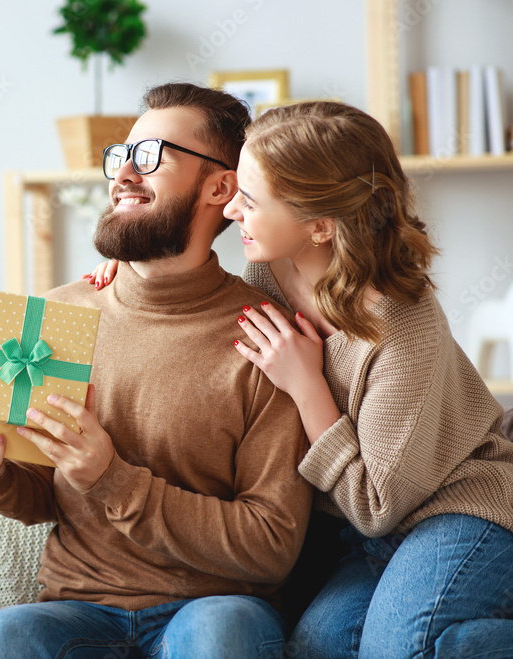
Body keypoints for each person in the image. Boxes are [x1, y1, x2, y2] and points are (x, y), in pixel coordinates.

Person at [91, 100, 513, 657]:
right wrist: (134, 265)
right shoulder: (267, 272)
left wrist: (307, 385)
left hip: (457, 509)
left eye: (251, 199)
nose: (233, 210)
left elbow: (376, 506)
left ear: (320, 225)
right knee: (312, 649)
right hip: (361, 542)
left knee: (399, 652)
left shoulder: (401, 326)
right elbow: (190, 261)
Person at [0, 82, 313, 658]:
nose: (124, 173)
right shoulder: (61, 313)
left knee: (221, 632)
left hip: (210, 607)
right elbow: (46, 496)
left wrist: (112, 476)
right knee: (2, 635)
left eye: (152, 156)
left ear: (220, 186)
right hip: (78, 605)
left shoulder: (267, 339)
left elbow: (271, 545)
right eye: (120, 155)